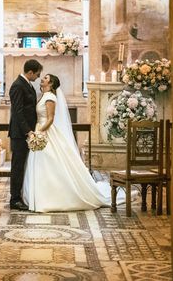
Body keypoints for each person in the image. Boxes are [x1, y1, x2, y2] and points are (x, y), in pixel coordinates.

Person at [22, 74, 114, 212]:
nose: (43, 79)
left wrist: (39, 132)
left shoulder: (50, 97)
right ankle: (42, 194)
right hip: (40, 131)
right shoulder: (43, 96)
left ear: (51, 83)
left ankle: (53, 196)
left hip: (46, 132)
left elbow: (50, 119)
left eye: (46, 78)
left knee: (50, 160)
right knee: (41, 163)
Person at [8, 59, 43, 211]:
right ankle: (14, 199)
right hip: (20, 134)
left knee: (22, 165)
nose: (38, 77)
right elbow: (18, 112)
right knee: (17, 166)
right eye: (37, 74)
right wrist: (27, 131)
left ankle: (20, 195)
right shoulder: (17, 86)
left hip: (25, 132)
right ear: (30, 72)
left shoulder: (27, 84)